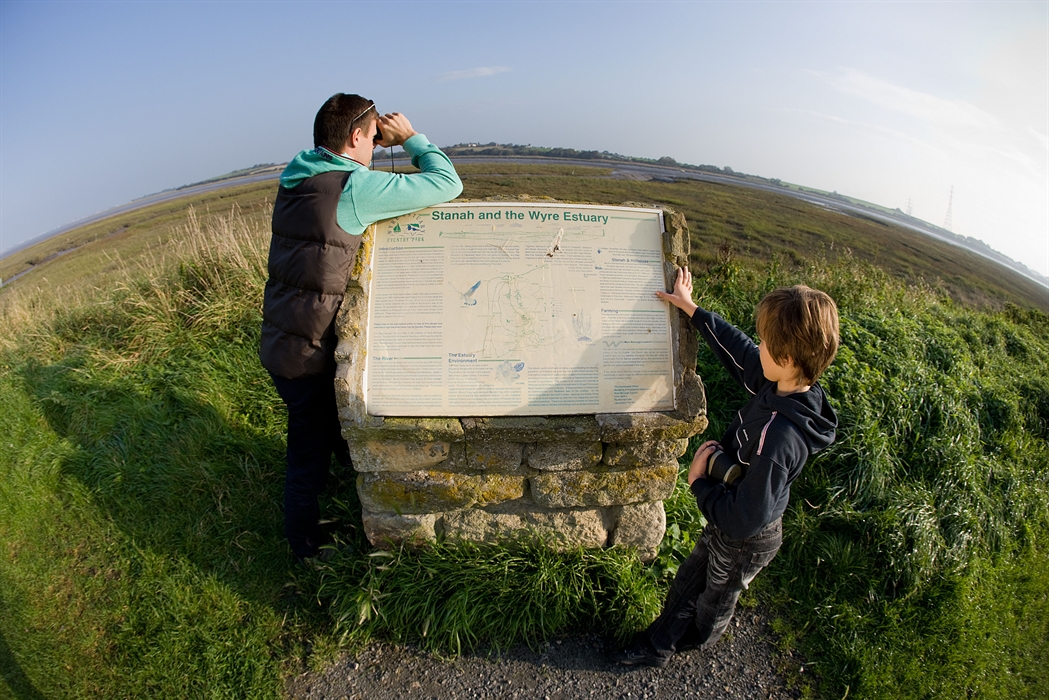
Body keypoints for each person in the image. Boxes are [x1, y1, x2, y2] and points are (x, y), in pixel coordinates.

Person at [260, 93, 462, 563]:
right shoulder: (353, 187)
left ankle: (343, 500)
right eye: (373, 138)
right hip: (307, 350)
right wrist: (411, 139)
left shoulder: (299, 176)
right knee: (306, 452)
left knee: (327, 431)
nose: (376, 146)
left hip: (283, 336)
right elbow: (447, 182)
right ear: (355, 137)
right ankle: (304, 545)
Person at [611, 267, 839, 667]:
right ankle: (659, 644)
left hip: (746, 533)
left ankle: (698, 640)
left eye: (766, 342)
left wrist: (699, 484)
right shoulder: (785, 386)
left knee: (715, 598)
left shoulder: (779, 436)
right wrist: (692, 309)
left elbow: (744, 519)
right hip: (734, 508)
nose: (759, 346)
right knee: (689, 581)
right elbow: (740, 353)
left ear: (785, 358)